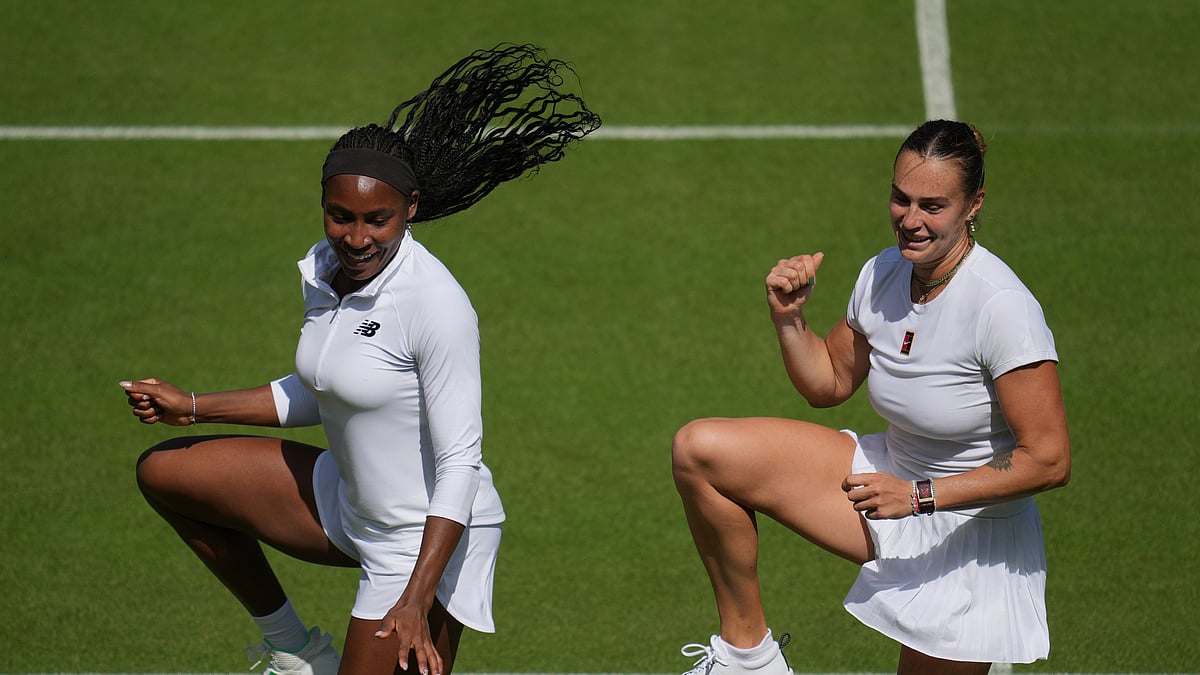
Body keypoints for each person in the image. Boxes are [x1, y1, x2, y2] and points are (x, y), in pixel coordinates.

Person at [120, 43, 600, 675]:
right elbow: (326, 385)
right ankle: (296, 652)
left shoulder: (435, 304)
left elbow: (460, 462)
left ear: (411, 210)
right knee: (168, 474)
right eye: (339, 216)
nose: (356, 237)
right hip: (346, 503)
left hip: (423, 541)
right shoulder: (325, 269)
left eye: (377, 220)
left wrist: (416, 599)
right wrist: (192, 406)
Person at [670, 120, 1070, 675]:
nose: (910, 219)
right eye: (901, 198)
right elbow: (830, 382)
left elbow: (1048, 460)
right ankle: (749, 658)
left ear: (974, 204)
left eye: (932, 206)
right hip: (886, 481)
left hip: (972, 535)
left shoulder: (1002, 307)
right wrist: (789, 319)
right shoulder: (884, 271)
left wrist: (919, 496)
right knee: (701, 451)